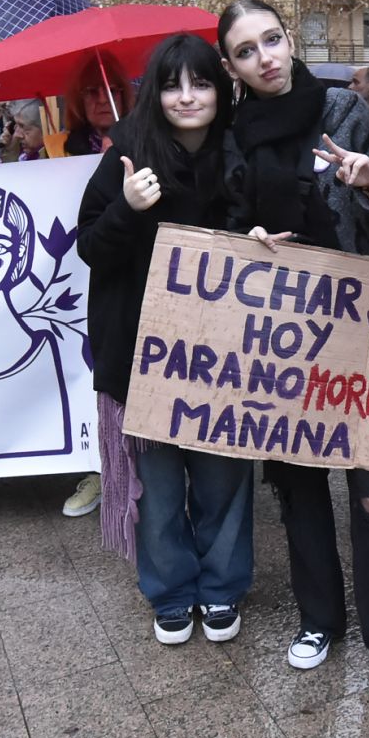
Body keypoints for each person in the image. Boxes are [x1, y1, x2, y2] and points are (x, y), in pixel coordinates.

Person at [217, 0, 369, 697]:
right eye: (247, 50)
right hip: (279, 335)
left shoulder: (344, 111)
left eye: (271, 39)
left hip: (357, 323)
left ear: (289, 38)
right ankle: (320, 621)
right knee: (298, 488)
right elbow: (227, 220)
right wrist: (245, 238)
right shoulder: (232, 133)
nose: (265, 56)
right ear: (231, 66)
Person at [77, 34, 254, 645]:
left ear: (221, 88)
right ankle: (171, 592)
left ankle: (222, 588)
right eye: (173, 84)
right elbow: (92, 248)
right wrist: (126, 206)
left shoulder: (242, 152)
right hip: (143, 355)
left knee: (222, 480)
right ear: (156, 89)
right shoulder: (127, 152)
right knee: (157, 486)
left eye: (201, 83)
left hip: (224, 356)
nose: (186, 97)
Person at [54, 57, 134, 520]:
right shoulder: (53, 149)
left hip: (114, 280)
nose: (102, 99)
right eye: (90, 93)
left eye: (110, 91)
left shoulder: (142, 145)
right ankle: (97, 470)